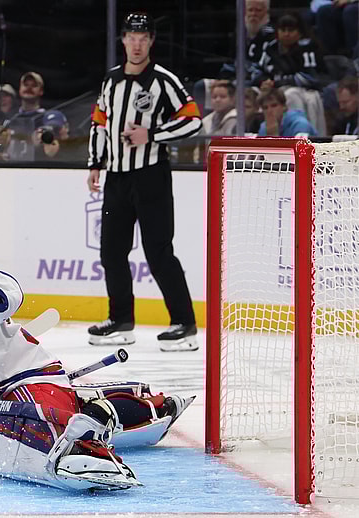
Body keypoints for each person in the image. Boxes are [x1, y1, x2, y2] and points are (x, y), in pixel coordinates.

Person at [0, 238, 195, 491]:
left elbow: (4, 295)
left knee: (50, 419)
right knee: (61, 411)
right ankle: (105, 414)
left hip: (19, 386)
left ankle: (100, 424)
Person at [86, 12, 202, 352]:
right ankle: (121, 319)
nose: (136, 44)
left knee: (159, 252)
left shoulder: (163, 80)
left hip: (151, 176)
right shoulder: (111, 81)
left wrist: (151, 134)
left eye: (143, 38)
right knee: (111, 251)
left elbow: (192, 119)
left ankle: (184, 323)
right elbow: (99, 122)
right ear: (123, 40)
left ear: (151, 41)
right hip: (116, 177)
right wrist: (95, 163)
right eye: (131, 37)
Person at [253, 12, 328, 135]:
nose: (286, 33)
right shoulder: (271, 48)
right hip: (275, 88)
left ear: (299, 32)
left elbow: (311, 77)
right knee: (250, 93)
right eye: (283, 30)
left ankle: (299, 133)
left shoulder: (308, 47)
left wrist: (277, 82)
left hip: (305, 90)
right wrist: (263, 81)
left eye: (291, 30)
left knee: (291, 94)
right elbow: (257, 70)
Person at [0, 71, 46, 161]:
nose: (29, 88)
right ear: (20, 89)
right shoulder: (10, 119)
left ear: (41, 91)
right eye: (25, 85)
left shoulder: (46, 118)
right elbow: (0, 146)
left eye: (34, 85)